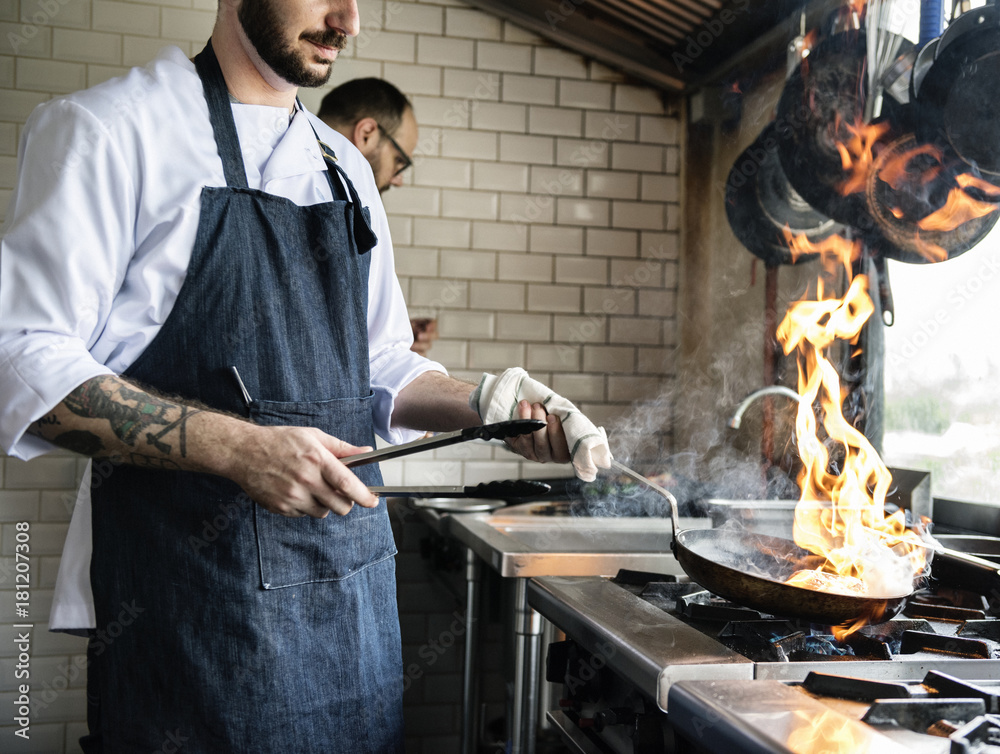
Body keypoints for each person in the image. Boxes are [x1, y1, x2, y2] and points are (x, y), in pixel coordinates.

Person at [0, 0, 611, 751]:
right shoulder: (110, 131)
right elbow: (22, 359)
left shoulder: (344, 168)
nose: (347, 20)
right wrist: (239, 449)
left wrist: (487, 402)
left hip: (350, 612)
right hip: (191, 614)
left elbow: (379, 363)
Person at [319, 77, 438, 356]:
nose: (398, 180)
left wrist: (385, 338)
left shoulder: (352, 209)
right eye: (400, 161)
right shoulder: (328, 209)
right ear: (367, 134)